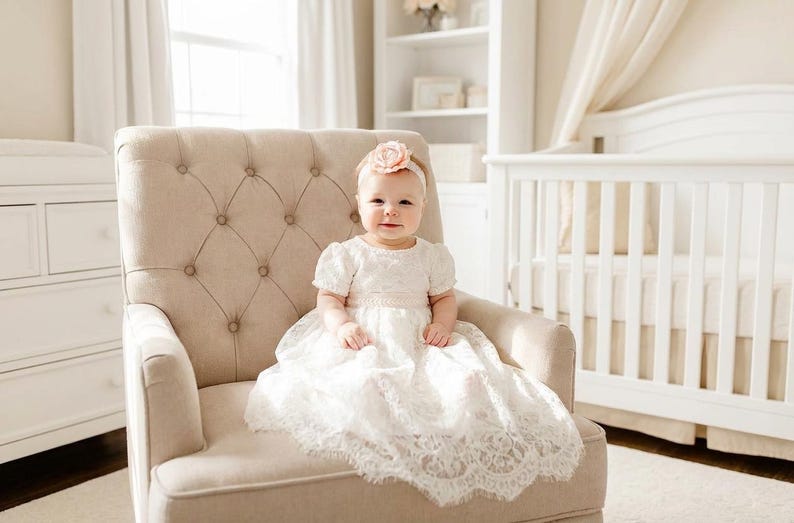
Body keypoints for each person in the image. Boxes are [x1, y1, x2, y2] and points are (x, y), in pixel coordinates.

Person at [245, 141, 583, 507]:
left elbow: (444, 299)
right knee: (367, 379)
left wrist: (443, 323)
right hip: (364, 338)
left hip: (420, 339)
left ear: (423, 207)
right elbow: (328, 299)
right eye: (378, 201)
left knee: (465, 379)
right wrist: (341, 325)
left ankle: (449, 440)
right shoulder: (347, 254)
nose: (390, 210)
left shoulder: (430, 255)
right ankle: (382, 446)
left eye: (404, 202)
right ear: (359, 204)